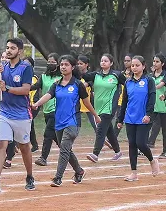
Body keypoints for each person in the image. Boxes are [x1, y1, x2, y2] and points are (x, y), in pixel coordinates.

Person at [32, 55, 100, 186]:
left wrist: (96, 116)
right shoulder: (56, 84)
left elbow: (86, 102)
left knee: (64, 149)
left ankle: (58, 178)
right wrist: (37, 104)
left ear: (72, 67)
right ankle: (79, 171)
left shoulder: (78, 84)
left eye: (66, 65)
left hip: (73, 122)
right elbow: (48, 95)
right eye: (62, 64)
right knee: (66, 149)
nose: (63, 67)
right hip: (59, 122)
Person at [0, 38, 37, 192]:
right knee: (1, 145)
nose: (9, 50)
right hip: (4, 112)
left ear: (20, 51)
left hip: (22, 114)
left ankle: (29, 176)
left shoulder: (25, 68)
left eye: (12, 48)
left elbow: (26, 90)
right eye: (7, 48)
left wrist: (7, 88)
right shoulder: (2, 66)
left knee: (24, 147)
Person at [116, 55, 160, 182]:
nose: (134, 68)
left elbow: (152, 99)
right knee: (132, 144)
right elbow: (124, 101)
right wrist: (120, 119)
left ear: (143, 66)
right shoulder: (128, 82)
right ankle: (134, 173)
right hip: (130, 117)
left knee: (140, 143)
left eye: (137, 65)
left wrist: (148, 114)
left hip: (144, 118)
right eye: (132, 65)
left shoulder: (149, 81)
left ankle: (152, 160)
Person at [83, 53, 124, 162]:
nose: (103, 62)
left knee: (100, 130)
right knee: (109, 131)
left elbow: (128, 84)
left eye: (106, 61)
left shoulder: (116, 75)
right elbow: (84, 77)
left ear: (111, 63)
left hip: (109, 108)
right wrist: (79, 68)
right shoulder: (96, 75)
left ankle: (95, 154)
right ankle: (118, 152)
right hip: (98, 108)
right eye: (102, 61)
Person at [31, 53, 61, 167]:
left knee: (48, 134)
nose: (50, 64)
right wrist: (21, 88)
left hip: (56, 110)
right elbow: (34, 87)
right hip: (46, 110)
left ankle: (43, 158)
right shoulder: (43, 76)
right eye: (49, 62)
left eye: (53, 62)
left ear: (58, 64)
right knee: (54, 135)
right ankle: (67, 151)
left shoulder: (61, 77)